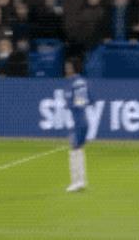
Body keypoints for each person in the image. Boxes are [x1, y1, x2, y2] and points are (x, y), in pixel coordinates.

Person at [64, 57, 92, 192]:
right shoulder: (79, 82)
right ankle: (81, 181)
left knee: (74, 148)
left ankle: (76, 182)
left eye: (68, 66)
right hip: (81, 120)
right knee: (78, 149)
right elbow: (91, 99)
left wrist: (72, 104)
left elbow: (80, 102)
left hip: (79, 121)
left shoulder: (77, 83)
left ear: (73, 67)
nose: (66, 69)